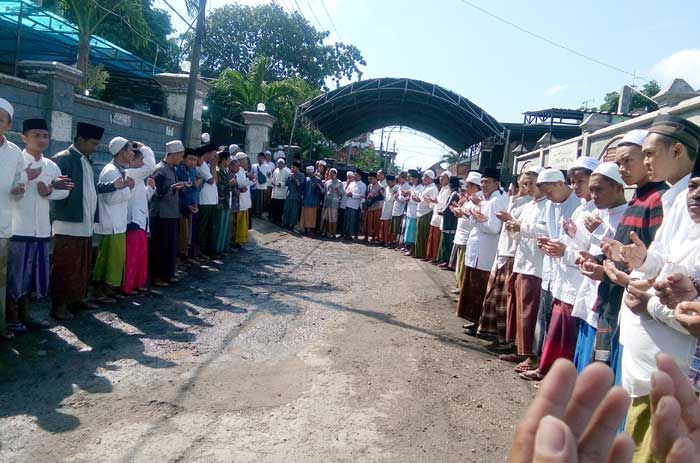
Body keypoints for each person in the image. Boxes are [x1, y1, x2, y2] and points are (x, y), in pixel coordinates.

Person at [7, 118, 72, 331]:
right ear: (24, 137)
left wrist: (50, 191)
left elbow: (65, 190)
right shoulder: (16, 162)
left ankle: (26, 315)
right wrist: (25, 182)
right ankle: (11, 317)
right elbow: (7, 191)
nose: (41, 139)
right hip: (18, 229)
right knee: (15, 276)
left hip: (42, 230)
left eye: (45, 135)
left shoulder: (51, 165)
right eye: (36, 135)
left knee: (32, 277)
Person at [518, 167, 583, 381]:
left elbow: (580, 242)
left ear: (560, 184)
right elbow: (550, 232)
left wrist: (560, 247)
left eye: (549, 192)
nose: (547, 197)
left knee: (564, 332)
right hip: (553, 271)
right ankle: (544, 366)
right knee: (547, 324)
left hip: (572, 277)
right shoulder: (553, 205)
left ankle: (556, 376)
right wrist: (545, 242)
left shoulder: (578, 206)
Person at [569, 162, 628, 373]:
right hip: (591, 290)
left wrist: (601, 233)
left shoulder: (627, 216)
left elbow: (622, 255)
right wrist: (587, 257)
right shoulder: (599, 213)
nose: (593, 195)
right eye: (591, 190)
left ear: (619, 188)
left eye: (599, 189)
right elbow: (588, 247)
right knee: (585, 347)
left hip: (609, 294)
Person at [50, 122, 104, 320]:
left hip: (85, 224)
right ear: (80, 140)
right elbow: (53, 191)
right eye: (93, 143)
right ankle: (59, 305)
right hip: (67, 223)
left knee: (82, 265)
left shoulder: (86, 159)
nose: (95, 147)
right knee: (65, 266)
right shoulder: (62, 159)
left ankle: (77, 298)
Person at [499, 166, 547, 372]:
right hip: (521, 260)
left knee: (529, 311)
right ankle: (520, 349)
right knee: (518, 307)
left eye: (532, 184)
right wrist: (512, 226)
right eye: (524, 184)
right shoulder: (530, 205)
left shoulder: (549, 206)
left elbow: (547, 230)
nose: (528, 188)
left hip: (535, 265)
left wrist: (521, 227)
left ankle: (531, 355)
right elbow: (519, 229)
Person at [476, 172, 531, 344]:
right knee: (495, 296)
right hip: (504, 250)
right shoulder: (514, 201)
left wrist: (510, 219)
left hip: (513, 253)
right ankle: (495, 334)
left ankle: (505, 339)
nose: (523, 189)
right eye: (521, 185)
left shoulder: (528, 204)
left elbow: (520, 228)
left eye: (528, 185)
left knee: (505, 298)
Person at [457, 167, 508, 335]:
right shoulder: (487, 199)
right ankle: (474, 321)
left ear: (496, 183)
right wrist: (472, 216)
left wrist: (475, 218)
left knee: (480, 289)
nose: (484, 185)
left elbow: (493, 228)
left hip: (485, 250)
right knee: (473, 288)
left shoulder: (495, 201)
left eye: (487, 182)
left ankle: (480, 324)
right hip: (478, 248)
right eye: (483, 182)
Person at [92, 136, 135, 302]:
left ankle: (109, 288)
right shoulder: (110, 171)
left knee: (114, 258)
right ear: (122, 152)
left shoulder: (119, 170)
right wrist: (127, 189)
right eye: (130, 150)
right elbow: (109, 198)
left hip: (117, 223)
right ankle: (100, 291)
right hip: (110, 223)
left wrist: (126, 189)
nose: (132, 153)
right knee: (106, 259)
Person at [121, 143, 156, 295]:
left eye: (143, 159)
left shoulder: (138, 177)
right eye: (140, 160)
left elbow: (143, 198)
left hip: (141, 220)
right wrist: (145, 148)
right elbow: (150, 166)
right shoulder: (130, 173)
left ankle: (137, 282)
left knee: (141, 254)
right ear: (131, 161)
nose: (142, 163)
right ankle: (127, 286)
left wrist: (151, 189)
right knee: (132, 256)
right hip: (133, 221)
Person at [149, 140, 185, 287]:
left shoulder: (171, 169)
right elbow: (155, 192)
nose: (181, 158)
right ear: (174, 154)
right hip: (161, 215)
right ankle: (157, 277)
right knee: (160, 247)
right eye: (180, 155)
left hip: (171, 213)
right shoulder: (160, 170)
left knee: (170, 246)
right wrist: (172, 188)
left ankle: (167, 274)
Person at [449, 172, 482, 291]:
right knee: (460, 263)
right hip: (462, 235)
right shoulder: (470, 199)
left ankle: (462, 287)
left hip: (468, 236)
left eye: (468, 186)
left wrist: (461, 213)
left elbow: (476, 216)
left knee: (464, 264)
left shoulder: (478, 199)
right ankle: (459, 285)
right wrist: (458, 209)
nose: (465, 189)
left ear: (474, 186)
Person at [175, 148, 198, 265]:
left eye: (195, 160)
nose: (193, 162)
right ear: (184, 158)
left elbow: (193, 189)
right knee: (181, 233)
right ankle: (179, 256)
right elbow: (177, 192)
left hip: (189, 205)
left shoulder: (193, 171)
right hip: (179, 205)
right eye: (190, 159)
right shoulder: (177, 171)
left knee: (187, 233)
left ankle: (185, 254)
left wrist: (194, 203)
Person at [196, 143, 218, 258]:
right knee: (203, 227)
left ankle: (206, 249)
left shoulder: (207, 165)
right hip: (205, 200)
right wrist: (214, 166)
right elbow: (211, 181)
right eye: (214, 154)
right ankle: (201, 250)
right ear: (208, 153)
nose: (215, 157)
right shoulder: (203, 165)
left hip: (211, 200)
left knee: (209, 226)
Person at [436, 176, 461, 267]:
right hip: (449, 221)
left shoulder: (454, 194)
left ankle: (447, 262)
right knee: (446, 242)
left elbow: (448, 207)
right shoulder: (454, 193)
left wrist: (441, 212)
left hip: (450, 222)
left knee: (448, 242)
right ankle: (446, 261)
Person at [426, 172, 451, 263]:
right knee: (433, 236)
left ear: (448, 179)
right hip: (435, 215)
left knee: (437, 238)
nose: (441, 179)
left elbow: (445, 204)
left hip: (440, 217)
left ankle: (436, 257)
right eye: (440, 177)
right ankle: (431, 256)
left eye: (443, 178)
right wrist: (432, 202)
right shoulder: (441, 189)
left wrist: (435, 201)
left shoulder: (448, 190)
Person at [414, 170, 438, 258]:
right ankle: (418, 252)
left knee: (423, 234)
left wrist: (428, 200)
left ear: (429, 178)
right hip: (420, 212)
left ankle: (423, 254)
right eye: (423, 176)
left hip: (427, 213)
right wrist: (418, 199)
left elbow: (433, 204)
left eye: (425, 176)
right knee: (419, 233)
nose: (423, 178)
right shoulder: (426, 187)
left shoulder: (433, 188)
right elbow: (422, 199)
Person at [233, 152, 254, 243]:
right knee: (238, 222)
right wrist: (248, 181)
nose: (247, 162)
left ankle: (242, 239)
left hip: (244, 200)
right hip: (239, 200)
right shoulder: (237, 170)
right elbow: (239, 183)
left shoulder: (243, 171)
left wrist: (250, 180)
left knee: (243, 222)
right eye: (245, 160)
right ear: (240, 161)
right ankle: (237, 240)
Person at [402, 170, 423, 255]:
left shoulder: (421, 188)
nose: (409, 178)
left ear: (416, 178)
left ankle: (412, 249)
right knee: (408, 230)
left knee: (413, 232)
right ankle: (408, 247)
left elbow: (420, 200)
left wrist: (415, 199)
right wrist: (407, 197)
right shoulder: (412, 187)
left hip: (415, 212)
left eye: (410, 176)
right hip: (410, 211)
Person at [319, 168, 344, 238]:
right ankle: (324, 232)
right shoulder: (327, 182)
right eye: (330, 174)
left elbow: (343, 193)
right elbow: (324, 192)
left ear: (336, 174)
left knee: (333, 218)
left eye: (332, 174)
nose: (331, 175)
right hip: (326, 203)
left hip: (334, 204)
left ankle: (332, 233)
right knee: (325, 218)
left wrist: (338, 190)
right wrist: (319, 188)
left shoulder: (340, 183)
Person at [282, 160, 305, 231]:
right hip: (289, 194)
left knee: (294, 211)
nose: (292, 169)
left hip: (296, 196)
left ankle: (292, 224)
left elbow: (300, 185)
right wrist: (290, 178)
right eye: (291, 167)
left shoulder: (301, 175)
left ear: (297, 168)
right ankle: (285, 223)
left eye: (293, 167)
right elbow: (287, 183)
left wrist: (294, 179)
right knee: (286, 209)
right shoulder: (290, 174)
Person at [300, 165, 323, 234]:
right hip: (306, 200)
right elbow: (303, 188)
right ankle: (305, 229)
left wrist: (318, 187)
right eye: (307, 172)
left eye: (309, 172)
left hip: (313, 201)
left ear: (312, 172)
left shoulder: (318, 180)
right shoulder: (306, 179)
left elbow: (321, 191)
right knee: (305, 215)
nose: (308, 173)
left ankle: (310, 230)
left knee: (311, 216)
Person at [343, 171, 366, 240]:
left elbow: (362, 195)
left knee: (352, 220)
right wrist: (348, 193)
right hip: (348, 203)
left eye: (356, 175)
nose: (354, 176)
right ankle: (346, 233)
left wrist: (352, 195)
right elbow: (346, 191)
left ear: (360, 176)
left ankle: (351, 234)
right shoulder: (351, 183)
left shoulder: (363, 185)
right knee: (347, 219)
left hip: (356, 205)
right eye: (354, 175)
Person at [391, 172, 410, 249]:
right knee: (395, 227)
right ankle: (395, 241)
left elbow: (404, 199)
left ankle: (399, 243)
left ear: (404, 178)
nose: (398, 179)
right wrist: (396, 197)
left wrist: (397, 197)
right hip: (396, 208)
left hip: (402, 210)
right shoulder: (399, 186)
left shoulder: (407, 187)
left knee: (400, 227)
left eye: (399, 178)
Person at [363, 172, 384, 242]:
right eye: (369, 179)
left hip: (376, 208)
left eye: (371, 179)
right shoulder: (369, 186)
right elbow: (366, 195)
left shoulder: (380, 187)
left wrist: (373, 197)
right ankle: (366, 236)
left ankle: (374, 237)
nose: (370, 180)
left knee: (375, 223)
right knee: (367, 222)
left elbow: (381, 197)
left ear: (375, 178)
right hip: (369, 207)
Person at [378, 175, 398, 246]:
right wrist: (382, 193)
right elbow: (386, 197)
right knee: (383, 225)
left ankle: (387, 241)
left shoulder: (396, 188)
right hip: (385, 208)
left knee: (388, 227)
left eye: (389, 182)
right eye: (387, 182)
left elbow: (393, 199)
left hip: (391, 210)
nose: (388, 183)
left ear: (393, 181)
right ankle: (382, 239)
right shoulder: (386, 188)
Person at [270, 158, 290, 224]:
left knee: (280, 207)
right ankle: (274, 218)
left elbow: (288, 182)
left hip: (282, 192)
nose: (279, 164)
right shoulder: (275, 170)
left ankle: (279, 219)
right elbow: (273, 179)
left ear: (284, 164)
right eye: (278, 163)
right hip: (275, 191)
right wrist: (272, 182)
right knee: (274, 206)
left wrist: (281, 184)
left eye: (281, 163)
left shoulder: (287, 172)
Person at [251, 152, 271, 216]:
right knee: (255, 199)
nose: (260, 159)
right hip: (255, 185)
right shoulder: (254, 166)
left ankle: (259, 212)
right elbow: (251, 174)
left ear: (264, 159)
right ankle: (254, 211)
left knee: (261, 200)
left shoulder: (267, 166)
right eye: (259, 157)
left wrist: (268, 175)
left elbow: (269, 176)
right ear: (257, 158)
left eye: (261, 158)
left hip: (263, 185)